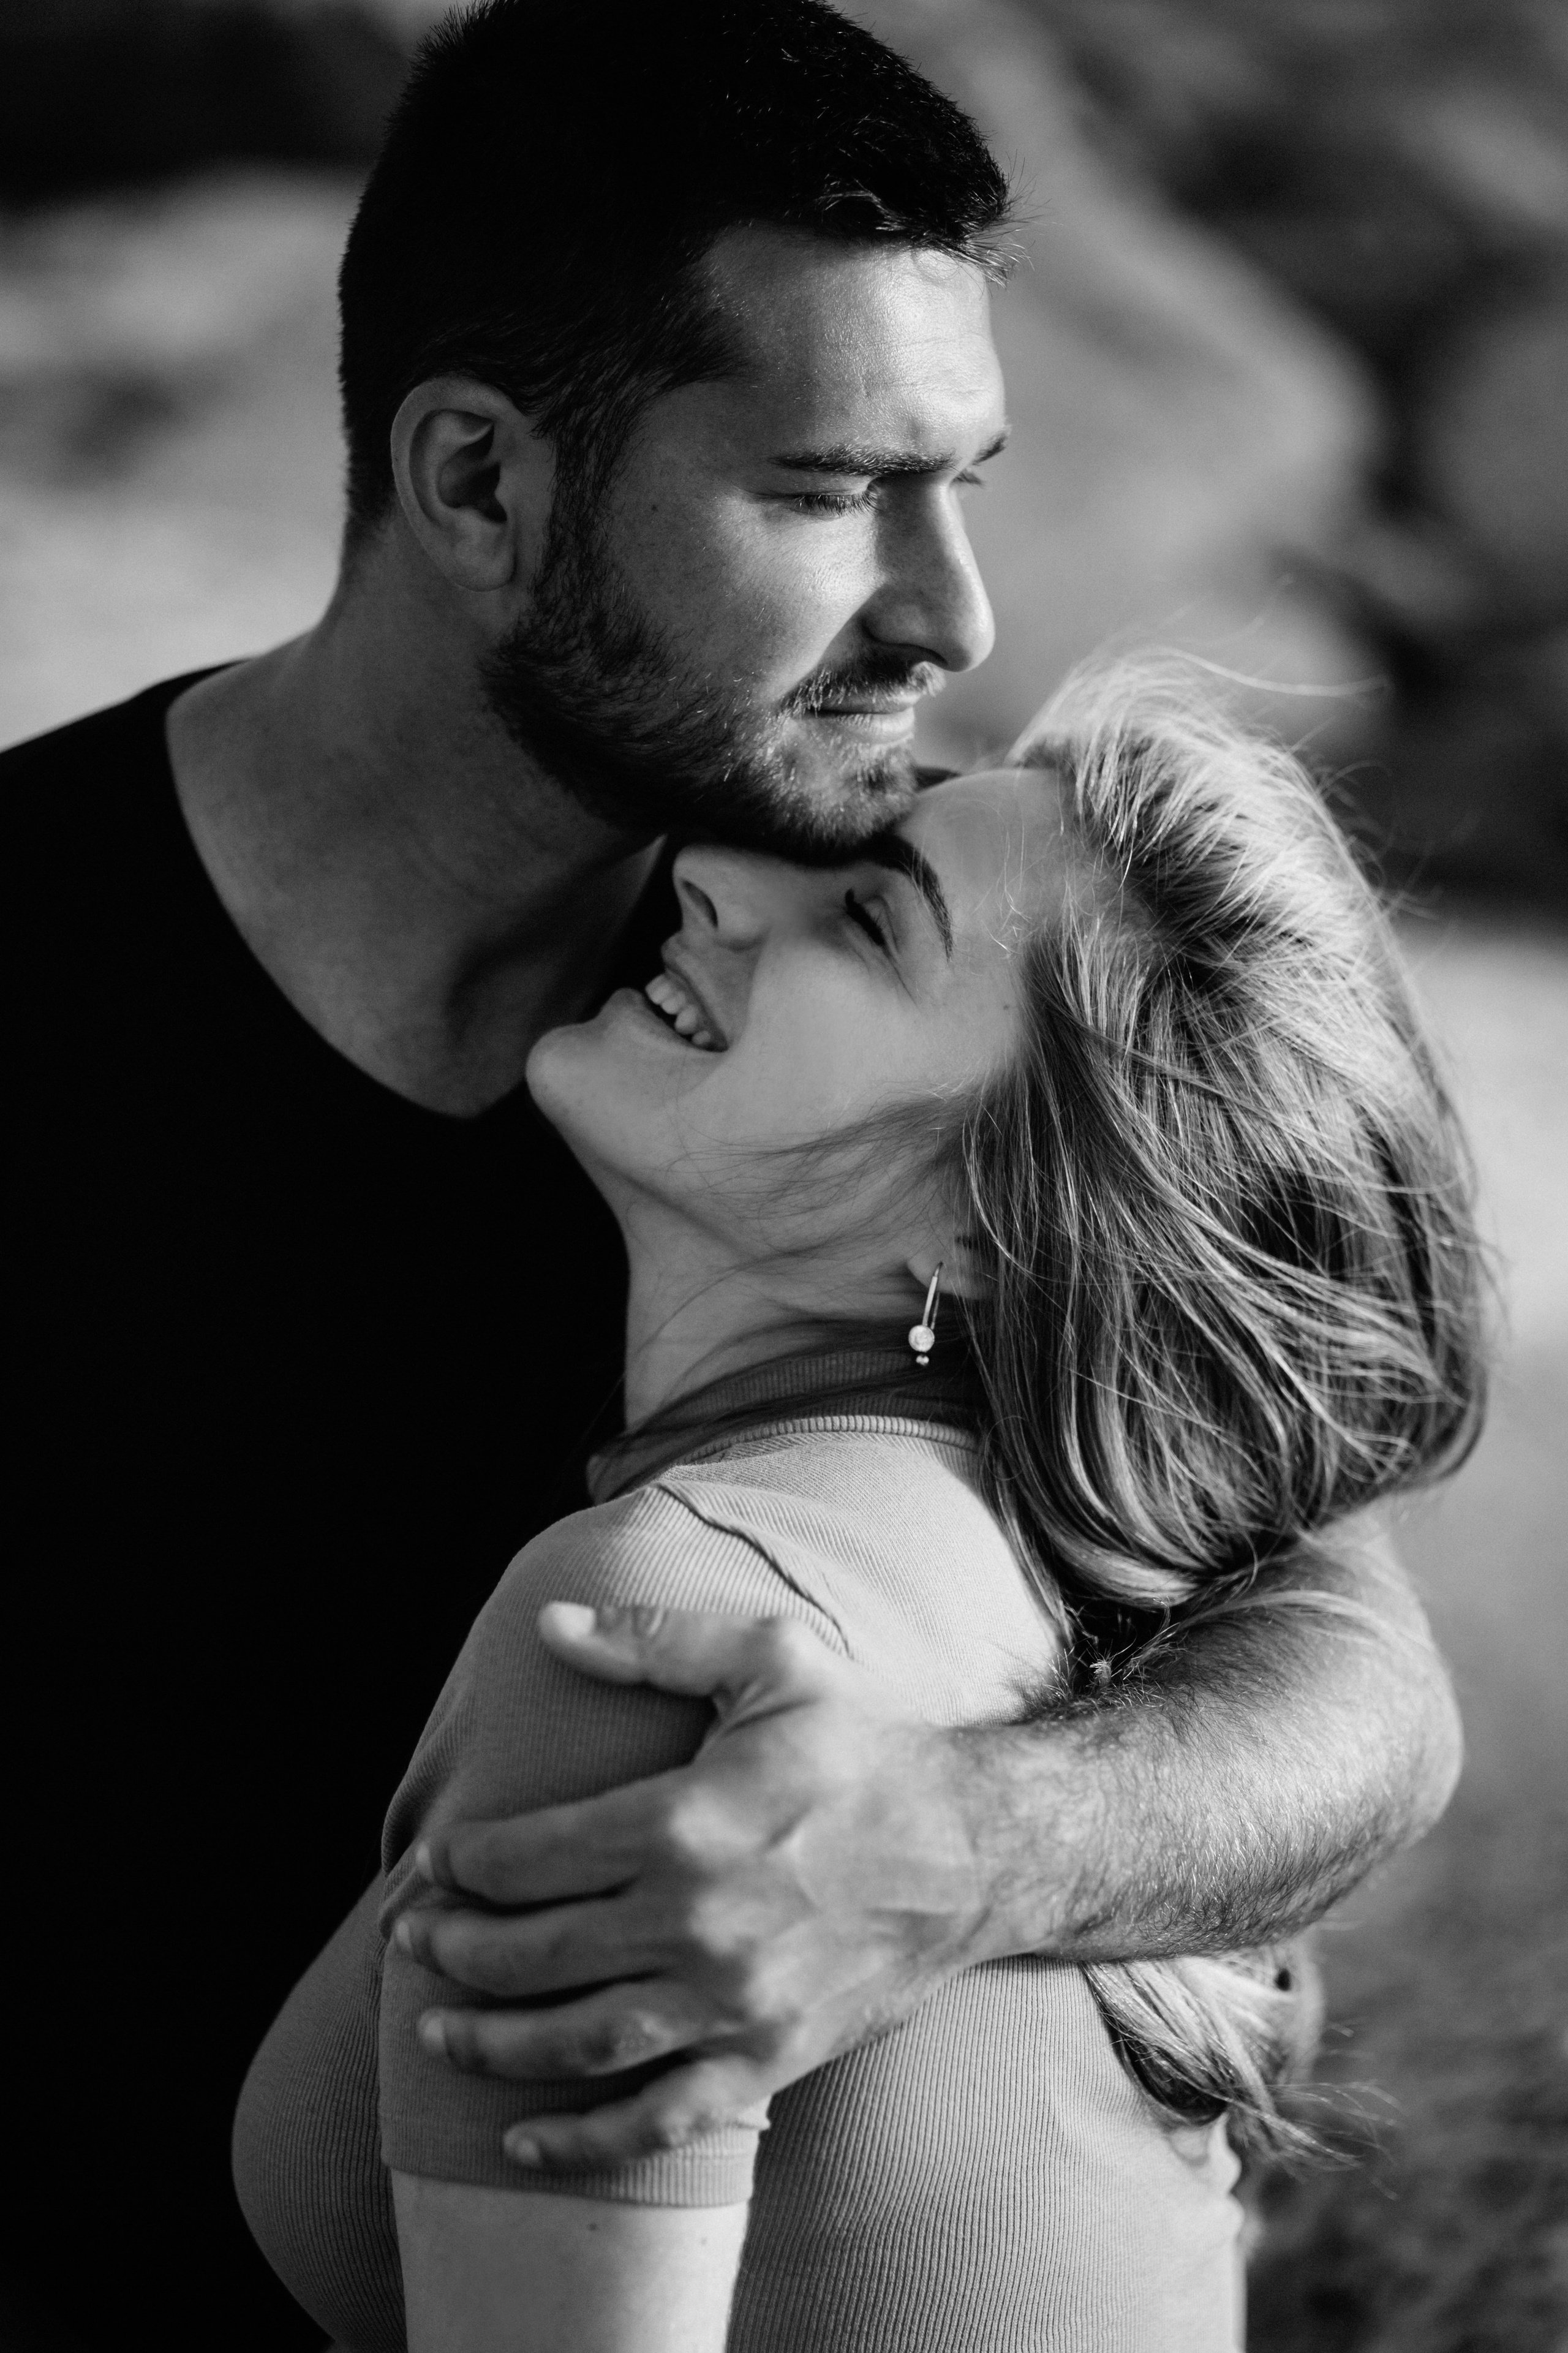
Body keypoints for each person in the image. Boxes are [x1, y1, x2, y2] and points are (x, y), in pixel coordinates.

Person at [4, 5, 1462, 2346]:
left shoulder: (820, 977)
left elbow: (1346, 1655)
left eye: (967, 476)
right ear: (480, 486)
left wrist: (949, 1855)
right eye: (828, 492)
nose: (954, 618)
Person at [233, 661, 1485, 2352]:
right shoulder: (1057, 1579)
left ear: (989, 1234)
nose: (717, 873)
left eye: (874, 923)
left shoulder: (671, 1632)